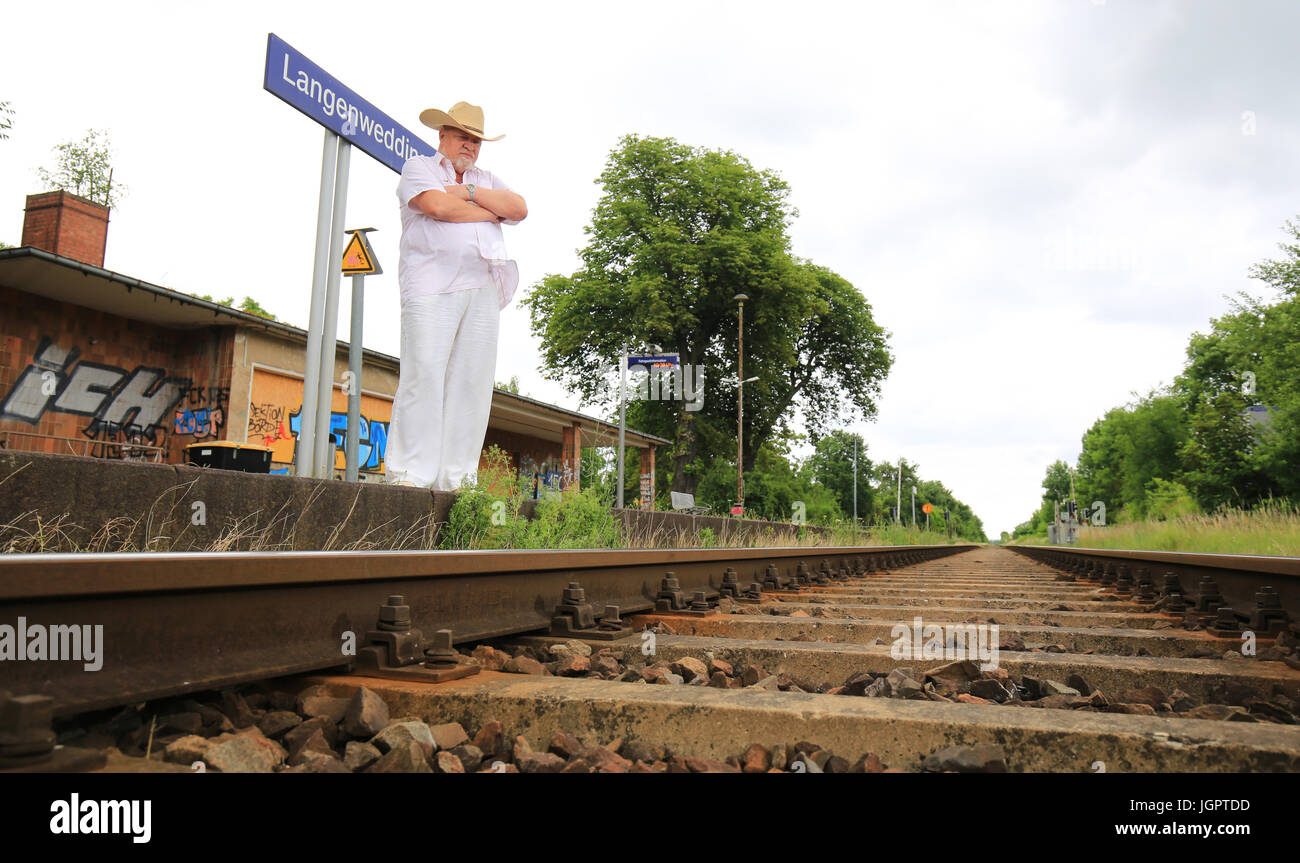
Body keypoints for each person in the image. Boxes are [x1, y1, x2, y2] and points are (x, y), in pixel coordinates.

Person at [385, 102, 527, 490]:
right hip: (432, 285)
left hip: (482, 287)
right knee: (424, 374)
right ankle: (410, 477)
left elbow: (517, 208)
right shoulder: (419, 168)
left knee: (472, 383)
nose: (470, 145)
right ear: (443, 135)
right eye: (463, 136)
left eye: (476, 139)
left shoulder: (485, 178)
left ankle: (458, 480)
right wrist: (485, 210)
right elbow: (436, 206)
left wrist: (467, 192)